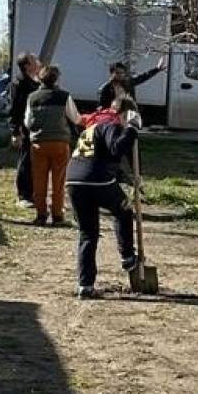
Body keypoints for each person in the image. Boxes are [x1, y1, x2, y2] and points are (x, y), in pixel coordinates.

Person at [66, 96, 143, 299]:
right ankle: (127, 256)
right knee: (124, 209)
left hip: (73, 180)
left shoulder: (94, 125)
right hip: (95, 180)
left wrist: (126, 177)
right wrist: (132, 129)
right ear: (126, 115)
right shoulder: (112, 123)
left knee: (88, 233)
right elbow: (116, 148)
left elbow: (101, 156)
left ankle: (85, 285)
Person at [24, 64, 82, 227]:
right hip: (59, 142)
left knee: (39, 180)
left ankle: (41, 214)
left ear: (40, 78)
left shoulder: (32, 97)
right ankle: (57, 214)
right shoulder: (64, 96)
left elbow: (27, 122)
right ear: (57, 79)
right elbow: (75, 118)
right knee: (59, 180)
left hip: (38, 143)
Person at [8, 52, 41, 208]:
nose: (38, 63)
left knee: (34, 161)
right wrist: (15, 131)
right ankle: (23, 195)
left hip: (36, 128)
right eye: (35, 61)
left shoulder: (35, 82)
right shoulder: (19, 83)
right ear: (27, 65)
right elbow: (15, 109)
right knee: (25, 161)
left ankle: (33, 193)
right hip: (24, 128)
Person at [97, 56, 167, 109]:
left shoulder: (128, 82)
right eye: (118, 73)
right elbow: (101, 107)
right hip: (113, 118)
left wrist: (157, 69)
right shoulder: (105, 88)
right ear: (112, 74)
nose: (120, 75)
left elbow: (143, 76)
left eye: (122, 73)